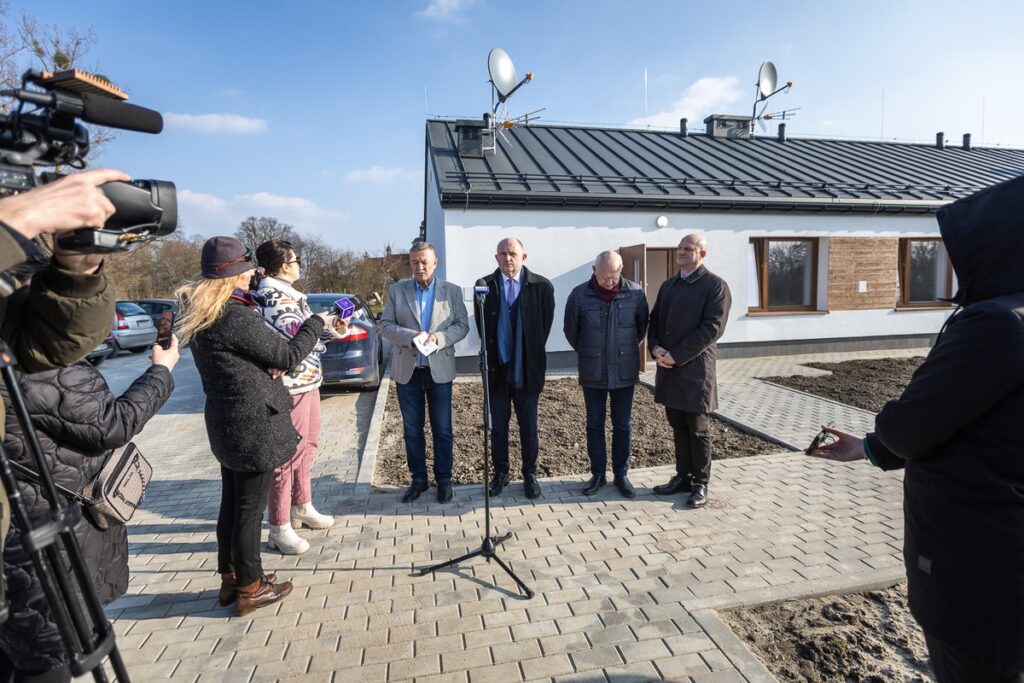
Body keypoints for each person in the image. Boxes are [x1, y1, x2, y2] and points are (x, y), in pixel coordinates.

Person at [809, 176, 1024, 683]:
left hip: (978, 559)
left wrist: (885, 432)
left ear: (993, 245)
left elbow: (911, 425)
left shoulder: (999, 323)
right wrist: (869, 448)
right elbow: (967, 418)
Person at [0, 336, 178, 683]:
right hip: (44, 536)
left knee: (17, 646)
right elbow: (110, 425)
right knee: (48, 654)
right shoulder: (34, 359)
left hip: (22, 529)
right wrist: (162, 370)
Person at [176, 236, 338, 617]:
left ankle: (230, 579)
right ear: (233, 275)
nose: (253, 275)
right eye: (247, 270)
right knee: (249, 511)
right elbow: (288, 354)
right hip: (253, 425)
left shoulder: (203, 314)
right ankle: (251, 587)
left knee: (231, 505)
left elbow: (246, 358)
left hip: (225, 422)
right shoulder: (234, 316)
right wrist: (317, 322)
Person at [0, 168, 128, 572]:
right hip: (46, 504)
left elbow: (48, 344)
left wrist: (77, 273)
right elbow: (106, 424)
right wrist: (12, 223)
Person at [255, 240, 337, 555]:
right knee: (288, 455)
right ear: (283, 266)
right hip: (291, 387)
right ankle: (279, 525)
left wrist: (332, 328)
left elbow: (308, 334)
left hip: (308, 381)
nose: (299, 264)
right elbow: (297, 338)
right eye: (296, 259)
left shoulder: (290, 294)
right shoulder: (273, 296)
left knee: (308, 446)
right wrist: (319, 328)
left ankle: (302, 505)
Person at [378, 241, 469, 503]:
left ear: (435, 263)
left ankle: (444, 479)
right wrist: (411, 336)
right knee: (412, 430)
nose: (419, 267)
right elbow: (385, 325)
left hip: (439, 371)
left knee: (443, 430)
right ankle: (419, 479)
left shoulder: (451, 292)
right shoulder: (397, 291)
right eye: (414, 262)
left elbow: (462, 325)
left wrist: (439, 338)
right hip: (408, 372)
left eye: (424, 262)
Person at [648, 234, 731, 509]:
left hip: (695, 371)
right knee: (677, 424)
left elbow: (712, 328)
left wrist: (677, 355)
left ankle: (700, 483)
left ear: (702, 254)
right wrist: (655, 347)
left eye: (688, 248)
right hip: (668, 369)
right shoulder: (669, 285)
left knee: (698, 430)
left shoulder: (715, 286)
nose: (681, 252)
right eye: (679, 248)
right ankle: (683, 477)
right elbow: (654, 320)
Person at [563, 250, 649, 498]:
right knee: (594, 424)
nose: (609, 281)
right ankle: (598, 474)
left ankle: (621, 474)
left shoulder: (636, 294)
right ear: (594, 271)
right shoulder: (579, 295)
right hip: (593, 371)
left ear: (621, 270)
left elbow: (641, 329)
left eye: (614, 276)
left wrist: (622, 351)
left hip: (624, 370)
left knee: (623, 425)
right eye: (604, 276)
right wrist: (592, 352)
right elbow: (571, 331)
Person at [475, 237, 555, 499]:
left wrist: (525, 351)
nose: (507, 258)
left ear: (524, 257)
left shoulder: (542, 287)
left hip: (527, 369)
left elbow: (543, 329)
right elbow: (482, 327)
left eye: (512, 253)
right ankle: (501, 473)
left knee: (528, 426)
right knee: (498, 426)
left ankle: (530, 474)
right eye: (502, 253)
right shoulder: (484, 286)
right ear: (496, 257)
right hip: (497, 370)